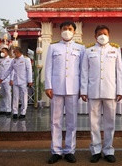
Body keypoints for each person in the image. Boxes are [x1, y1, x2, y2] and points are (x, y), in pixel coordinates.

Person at [80, 25, 122, 163]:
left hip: (110, 91)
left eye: (104, 33)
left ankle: (108, 149)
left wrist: (120, 90)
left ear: (109, 35)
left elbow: (119, 72)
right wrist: (83, 90)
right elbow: (84, 72)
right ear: (95, 36)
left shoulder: (115, 50)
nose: (102, 36)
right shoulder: (89, 50)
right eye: (99, 33)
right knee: (94, 123)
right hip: (93, 91)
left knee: (110, 122)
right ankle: (96, 150)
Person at [45, 21, 85, 164]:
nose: (67, 31)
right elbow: (48, 67)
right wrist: (48, 86)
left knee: (71, 122)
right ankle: (56, 150)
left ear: (74, 31)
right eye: (64, 29)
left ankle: (69, 150)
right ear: (60, 30)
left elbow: (82, 70)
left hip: (73, 88)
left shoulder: (80, 48)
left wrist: (82, 88)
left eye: (69, 29)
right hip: (56, 88)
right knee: (55, 121)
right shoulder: (53, 47)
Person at [2, 47, 33, 119]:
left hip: (23, 81)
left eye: (15, 52)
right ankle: (15, 112)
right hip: (16, 81)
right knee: (15, 97)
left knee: (23, 97)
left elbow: (29, 71)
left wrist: (30, 81)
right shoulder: (13, 60)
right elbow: (9, 70)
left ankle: (23, 112)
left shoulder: (26, 59)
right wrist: (2, 78)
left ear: (19, 52)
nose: (14, 54)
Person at [0, 47, 14, 116]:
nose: (2, 53)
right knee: (1, 94)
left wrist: (12, 79)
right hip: (0, 80)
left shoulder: (11, 60)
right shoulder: (0, 60)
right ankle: (2, 109)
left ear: (7, 52)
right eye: (1, 51)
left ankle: (8, 110)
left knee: (8, 94)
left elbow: (12, 71)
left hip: (7, 80)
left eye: (4, 51)